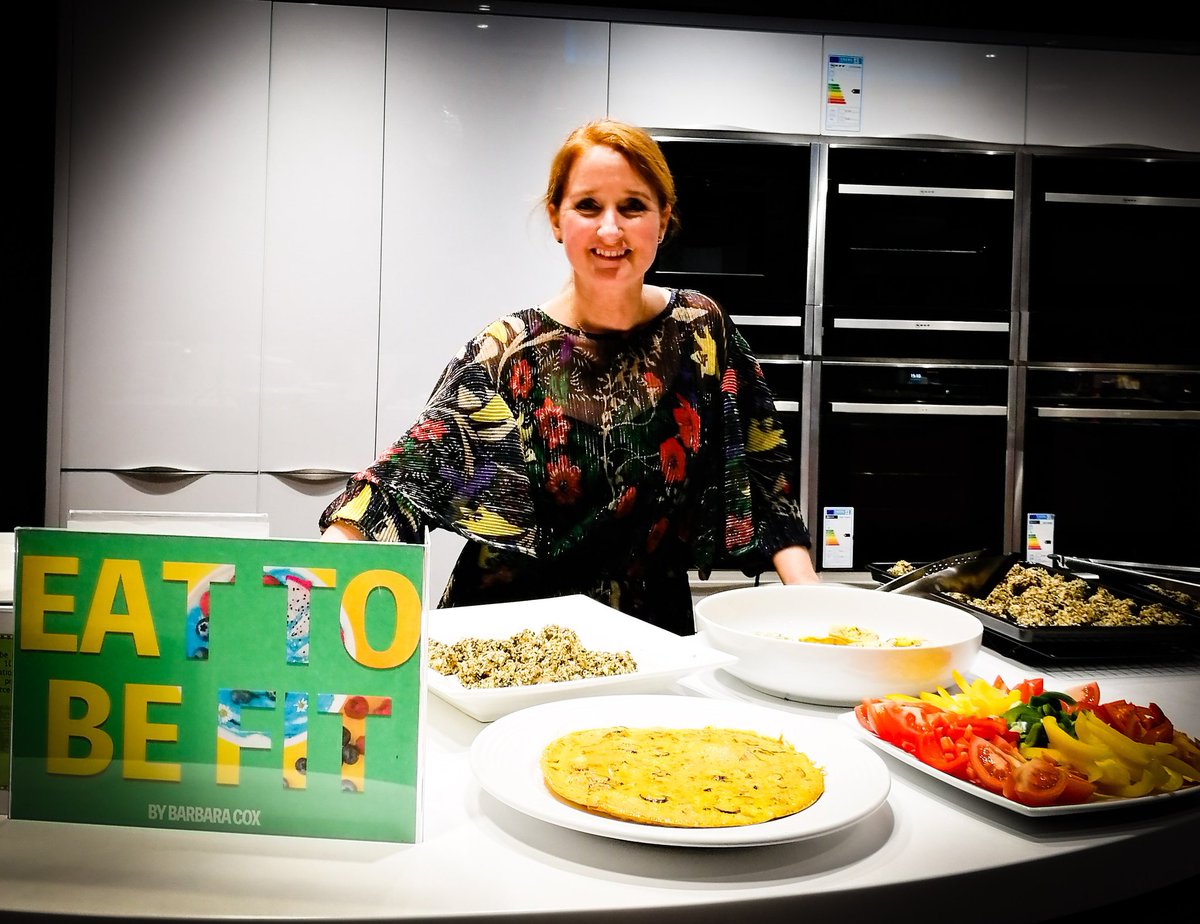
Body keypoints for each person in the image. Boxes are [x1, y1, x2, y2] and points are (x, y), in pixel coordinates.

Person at [320, 118, 818, 634]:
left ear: (663, 219)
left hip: (651, 638)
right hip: (510, 639)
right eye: (587, 206)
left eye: (633, 206)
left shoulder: (700, 331)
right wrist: (297, 595)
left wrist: (818, 620)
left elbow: (765, 478)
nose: (610, 229)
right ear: (557, 218)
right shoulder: (506, 352)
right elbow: (400, 485)